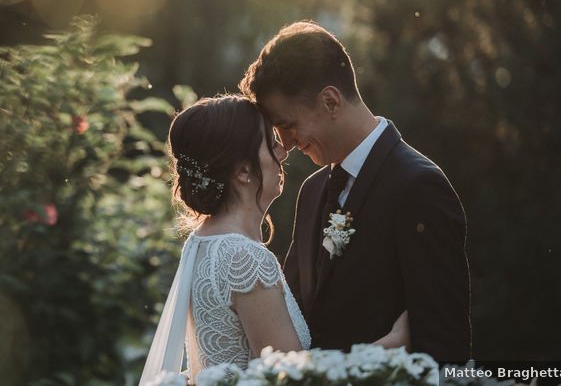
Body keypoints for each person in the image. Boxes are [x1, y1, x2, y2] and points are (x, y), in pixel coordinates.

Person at [239, 21, 472, 364]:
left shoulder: (418, 187)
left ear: (331, 102)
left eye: (288, 125)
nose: (284, 144)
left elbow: (445, 344)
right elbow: (295, 317)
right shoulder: (312, 191)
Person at [138, 95, 406, 385]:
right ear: (242, 171)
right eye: (270, 142)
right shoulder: (243, 257)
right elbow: (292, 377)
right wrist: (394, 342)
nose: (283, 151)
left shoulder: (203, 240)